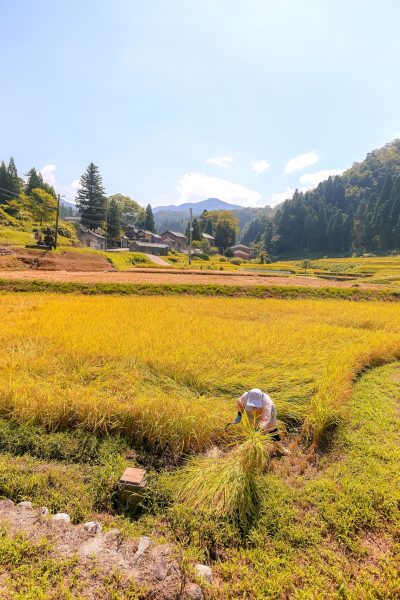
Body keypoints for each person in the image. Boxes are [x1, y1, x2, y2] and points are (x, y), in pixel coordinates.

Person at [235, 387, 290, 455]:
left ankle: (281, 448)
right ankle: (254, 450)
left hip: (268, 417)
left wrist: (259, 430)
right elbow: (240, 404)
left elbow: (265, 420)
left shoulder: (267, 403)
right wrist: (239, 415)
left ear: (261, 399)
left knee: (272, 431)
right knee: (252, 432)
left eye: (256, 405)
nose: (254, 407)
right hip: (253, 417)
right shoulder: (245, 396)